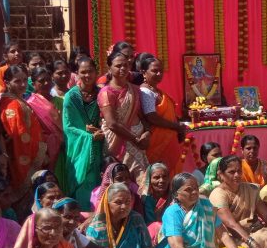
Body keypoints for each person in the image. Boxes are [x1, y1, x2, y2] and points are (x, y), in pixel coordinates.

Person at [152, 173, 253, 248]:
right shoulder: (172, 213)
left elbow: (223, 234)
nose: (194, 192)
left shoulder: (205, 205)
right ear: (176, 194)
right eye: (189, 190)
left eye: (196, 188)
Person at [100, 51, 150, 192]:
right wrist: (135, 139)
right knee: (118, 181)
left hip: (138, 142)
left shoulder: (134, 90)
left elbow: (143, 116)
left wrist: (147, 133)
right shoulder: (106, 93)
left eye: (126, 65)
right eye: (118, 65)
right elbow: (112, 124)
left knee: (142, 182)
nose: (123, 68)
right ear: (109, 68)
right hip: (118, 141)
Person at [0, 65, 47, 206]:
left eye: (24, 80)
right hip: (22, 162)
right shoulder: (12, 104)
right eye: (17, 81)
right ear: (7, 83)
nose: (22, 85)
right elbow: (18, 137)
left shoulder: (18, 100)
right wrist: (40, 153)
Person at [62, 58, 106, 206]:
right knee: (82, 189)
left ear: (96, 72)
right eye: (83, 72)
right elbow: (69, 127)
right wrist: (90, 137)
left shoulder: (102, 94)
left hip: (100, 149)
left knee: (100, 187)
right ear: (77, 74)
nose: (87, 75)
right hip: (80, 151)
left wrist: (102, 130)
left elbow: (109, 118)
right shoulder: (72, 96)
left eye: (90, 71)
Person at [139, 56, 186, 173]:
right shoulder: (146, 92)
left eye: (161, 71)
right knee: (160, 174)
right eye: (155, 71)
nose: (159, 74)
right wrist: (176, 126)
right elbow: (152, 117)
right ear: (144, 73)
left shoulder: (157, 91)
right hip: (157, 141)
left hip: (169, 139)